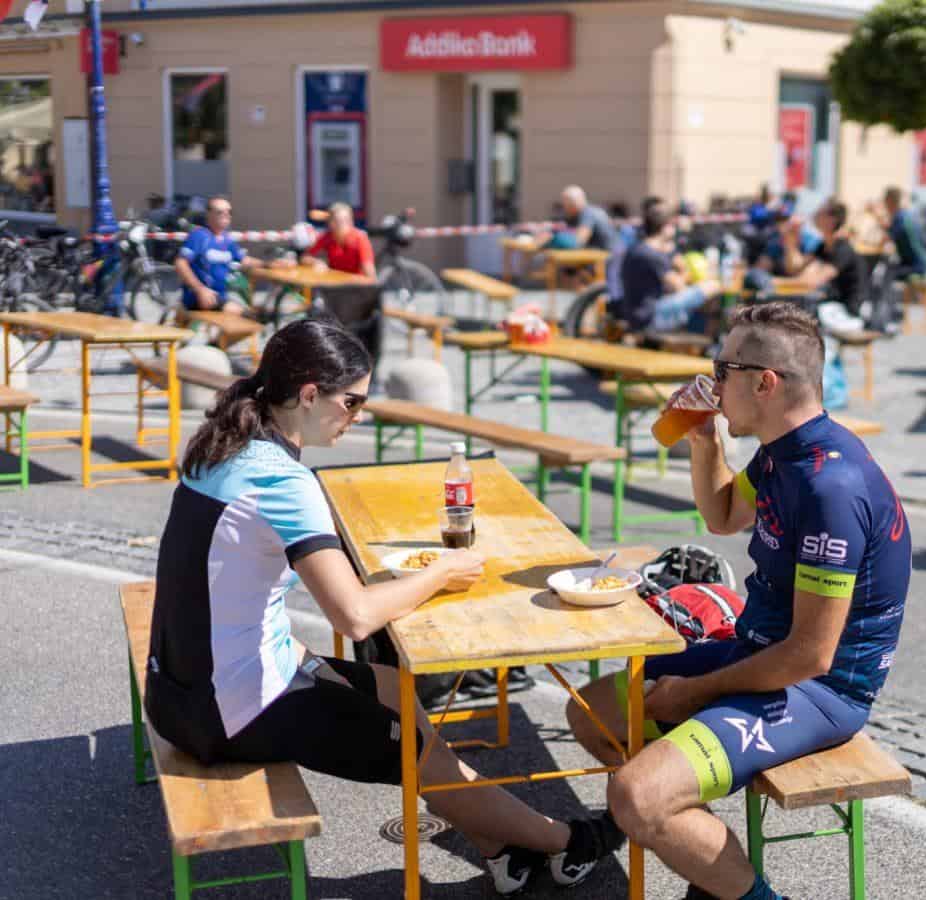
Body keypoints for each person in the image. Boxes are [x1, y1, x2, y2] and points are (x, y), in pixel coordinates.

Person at [146, 318, 624, 896]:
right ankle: (566, 840)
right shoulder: (283, 481)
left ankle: (498, 846)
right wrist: (444, 570)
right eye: (352, 402)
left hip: (177, 688)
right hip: (226, 712)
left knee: (394, 687)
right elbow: (355, 616)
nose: (358, 415)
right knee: (413, 747)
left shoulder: (224, 447)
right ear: (308, 394)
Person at [565, 302, 910, 900]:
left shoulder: (829, 487)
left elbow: (810, 655)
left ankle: (734, 882)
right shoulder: (782, 452)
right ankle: (709, 866)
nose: (712, 381)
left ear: (765, 383)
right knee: (591, 713)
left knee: (635, 793)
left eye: (722, 369)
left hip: (817, 689)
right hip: (756, 652)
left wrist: (692, 692)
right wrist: (704, 439)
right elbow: (723, 515)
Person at [619, 200, 720, 332]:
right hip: (649, 318)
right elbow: (679, 287)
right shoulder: (651, 254)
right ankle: (710, 338)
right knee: (713, 286)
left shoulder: (637, 249)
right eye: (673, 225)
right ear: (666, 227)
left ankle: (700, 334)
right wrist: (687, 273)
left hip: (636, 315)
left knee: (696, 299)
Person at [174, 195, 262, 313]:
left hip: (220, 298)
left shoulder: (227, 239)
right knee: (247, 316)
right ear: (208, 215)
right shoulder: (199, 235)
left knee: (260, 313)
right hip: (200, 298)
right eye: (220, 212)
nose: (226, 215)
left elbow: (245, 260)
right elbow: (180, 263)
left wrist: (269, 264)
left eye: (229, 212)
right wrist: (200, 289)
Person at [785, 198, 865, 316]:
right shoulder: (822, 246)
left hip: (847, 312)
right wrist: (791, 243)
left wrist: (781, 283)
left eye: (820, 213)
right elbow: (795, 269)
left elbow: (814, 281)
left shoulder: (843, 249)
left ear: (832, 220)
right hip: (831, 307)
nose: (815, 216)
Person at [301, 202, 377, 279]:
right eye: (337, 220)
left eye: (345, 220)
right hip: (334, 281)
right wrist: (316, 262)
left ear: (351, 221)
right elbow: (305, 257)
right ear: (330, 222)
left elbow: (369, 272)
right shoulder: (327, 237)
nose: (341, 224)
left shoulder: (360, 239)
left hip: (355, 283)